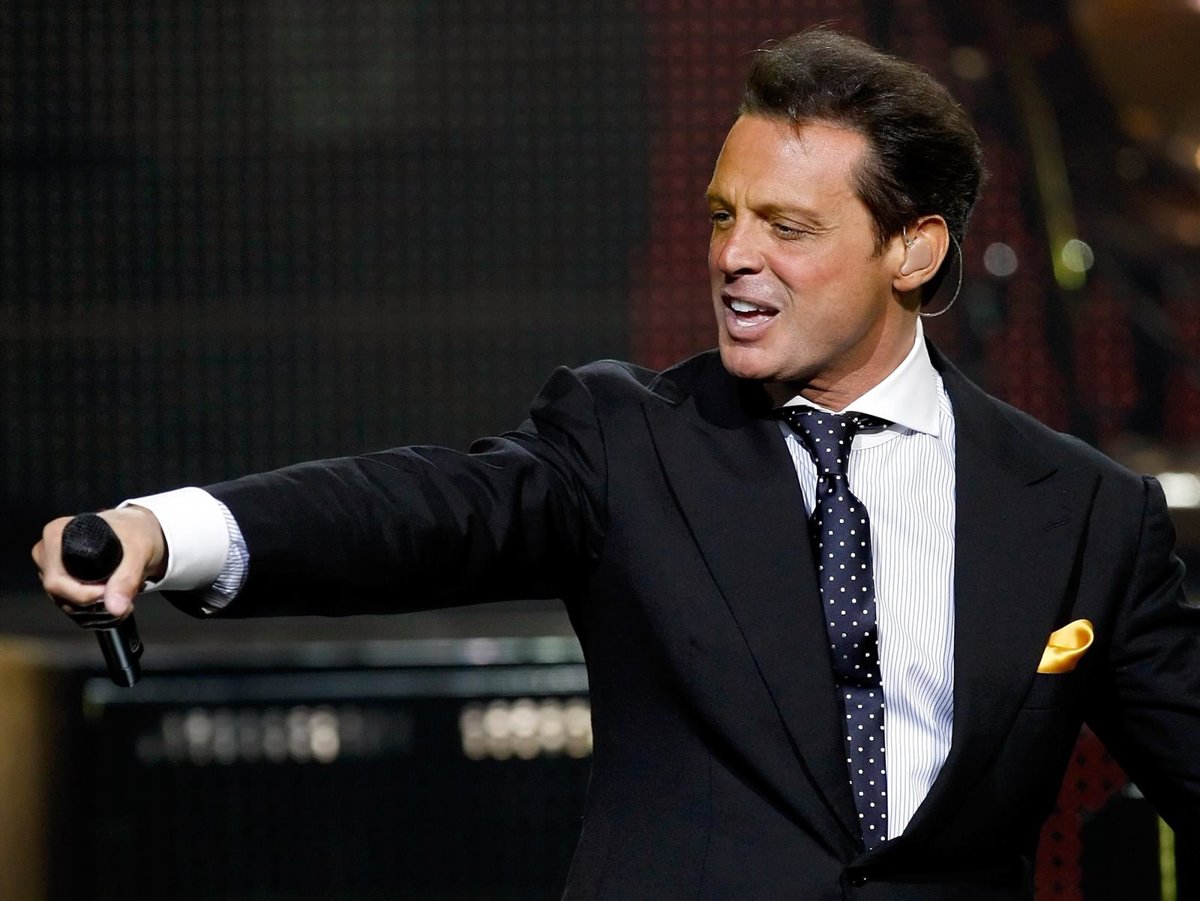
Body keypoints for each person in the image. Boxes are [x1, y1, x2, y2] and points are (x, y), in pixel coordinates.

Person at [32, 27, 1200, 900]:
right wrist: (162, 531)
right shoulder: (627, 439)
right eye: (723, 215)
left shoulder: (1085, 512)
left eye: (787, 226)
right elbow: (424, 508)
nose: (735, 256)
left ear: (914, 248)